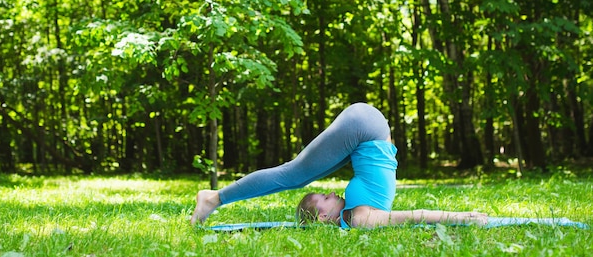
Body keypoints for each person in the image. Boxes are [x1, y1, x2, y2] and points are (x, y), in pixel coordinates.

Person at [191, 102, 487, 228]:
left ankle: (214, 198)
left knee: (294, 175)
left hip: (364, 129)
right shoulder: (360, 219)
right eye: (325, 199)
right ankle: (213, 198)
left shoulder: (353, 215)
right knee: (294, 176)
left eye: (324, 197)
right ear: (322, 218)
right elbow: (414, 216)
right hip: (367, 132)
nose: (331, 193)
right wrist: (461, 216)